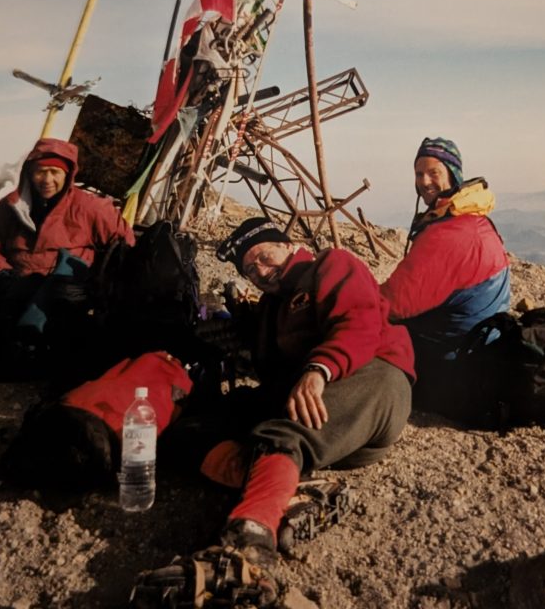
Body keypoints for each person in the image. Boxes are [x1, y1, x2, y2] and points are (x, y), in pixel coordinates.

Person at [131, 216, 414, 606]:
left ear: (286, 244)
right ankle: (290, 493)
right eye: (251, 269)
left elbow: (359, 323)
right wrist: (235, 341)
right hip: (309, 400)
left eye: (264, 256)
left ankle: (248, 548)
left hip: (374, 380)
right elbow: (269, 366)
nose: (261, 271)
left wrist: (319, 369)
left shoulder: (331, 265)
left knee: (282, 432)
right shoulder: (270, 308)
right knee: (192, 430)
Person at [0, 137, 134, 381]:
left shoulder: (91, 208)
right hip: (17, 285)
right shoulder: (10, 208)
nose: (47, 180)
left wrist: (102, 286)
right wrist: (2, 276)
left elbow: (124, 247)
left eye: (54, 172)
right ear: (29, 173)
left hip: (67, 294)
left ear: (67, 174)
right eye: (40, 172)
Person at [380, 136, 511, 415]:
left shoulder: (450, 234)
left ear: (452, 175)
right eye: (419, 173)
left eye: (433, 172)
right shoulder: (476, 219)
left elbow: (393, 304)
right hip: (481, 347)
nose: (424, 181)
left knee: (368, 336)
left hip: (451, 364)